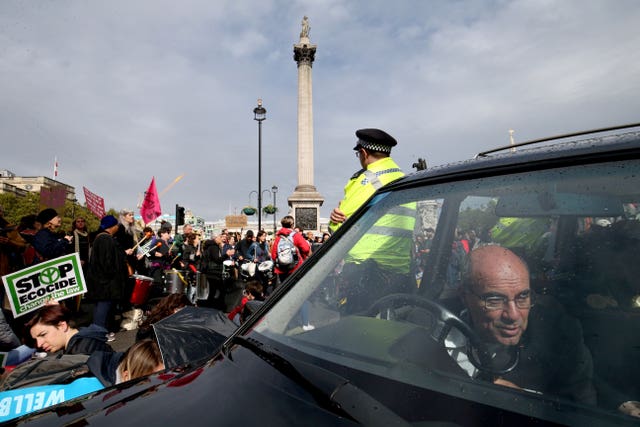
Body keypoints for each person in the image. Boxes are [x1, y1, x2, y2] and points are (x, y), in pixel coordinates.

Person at [448, 245, 596, 404]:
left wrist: (523, 402)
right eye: (495, 300)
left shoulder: (560, 338)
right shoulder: (434, 332)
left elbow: (580, 408)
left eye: (523, 297)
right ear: (464, 296)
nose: (513, 315)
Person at [329, 128, 405, 233]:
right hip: (401, 246)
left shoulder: (368, 179)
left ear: (364, 153)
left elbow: (337, 228)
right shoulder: (401, 175)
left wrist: (334, 219)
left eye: (358, 154)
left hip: (368, 248)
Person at [85, 215, 129, 337]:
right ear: (112, 226)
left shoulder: (103, 238)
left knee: (105, 308)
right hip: (104, 283)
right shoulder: (105, 239)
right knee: (102, 308)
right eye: (116, 225)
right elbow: (107, 262)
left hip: (103, 281)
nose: (117, 227)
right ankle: (99, 333)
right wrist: (115, 274)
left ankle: (104, 330)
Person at [271, 216, 312, 330]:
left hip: (283, 271)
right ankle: (305, 324)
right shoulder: (295, 235)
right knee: (302, 295)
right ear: (292, 225)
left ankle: (286, 323)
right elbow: (306, 249)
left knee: (287, 295)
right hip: (296, 269)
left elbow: (274, 255)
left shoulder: (278, 238)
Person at [26, 303, 113, 355]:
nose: (39, 344)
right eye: (36, 339)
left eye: (43, 334)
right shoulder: (84, 339)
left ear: (62, 326)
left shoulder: (81, 352)